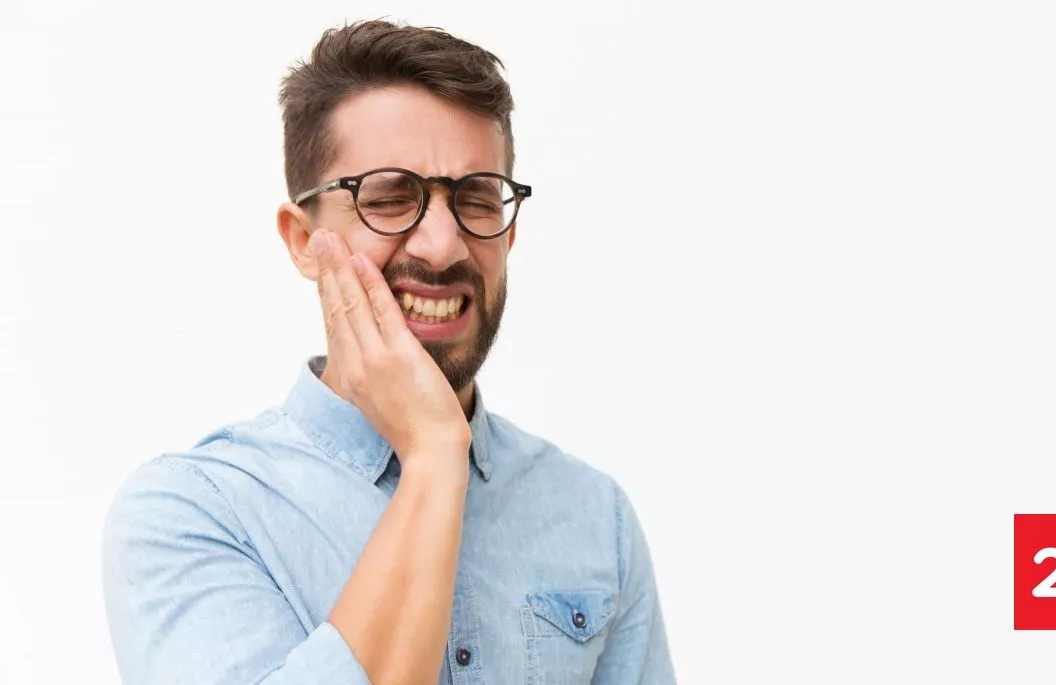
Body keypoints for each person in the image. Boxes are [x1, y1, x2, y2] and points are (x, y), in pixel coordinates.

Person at [101, 20, 674, 685]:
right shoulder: (195, 511)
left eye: (477, 199)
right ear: (301, 240)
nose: (443, 246)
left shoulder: (595, 515)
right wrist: (433, 453)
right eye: (391, 198)